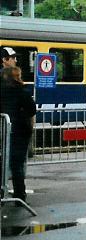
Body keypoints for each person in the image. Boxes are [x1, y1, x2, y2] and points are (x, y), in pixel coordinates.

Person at [0, 66, 37, 201]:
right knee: (17, 164)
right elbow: (32, 110)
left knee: (2, 161)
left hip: (3, 131)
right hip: (19, 132)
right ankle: (19, 194)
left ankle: (2, 191)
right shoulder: (22, 92)